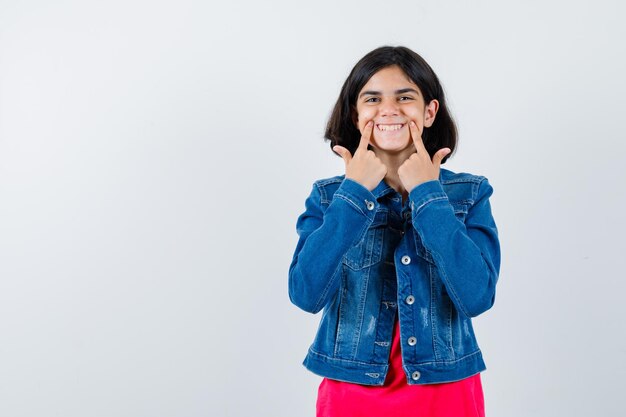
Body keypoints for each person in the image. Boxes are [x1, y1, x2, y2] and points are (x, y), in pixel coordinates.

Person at [288, 45, 501, 417]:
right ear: (355, 115)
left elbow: (477, 296)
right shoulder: (328, 197)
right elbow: (306, 294)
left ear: (429, 111)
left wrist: (428, 195)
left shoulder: (470, 193)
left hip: (446, 393)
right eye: (373, 98)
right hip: (352, 393)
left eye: (405, 97)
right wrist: (352, 195)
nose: (389, 110)